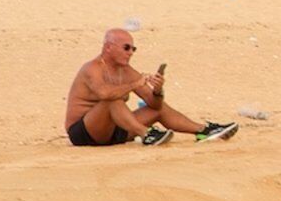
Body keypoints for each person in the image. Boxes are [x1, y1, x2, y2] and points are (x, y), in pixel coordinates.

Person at [63, 26, 236, 146]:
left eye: (133, 49)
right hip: (84, 133)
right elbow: (104, 94)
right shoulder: (92, 68)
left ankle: (204, 130)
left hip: (113, 131)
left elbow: (155, 106)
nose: (130, 52)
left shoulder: (126, 71)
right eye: (126, 48)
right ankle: (146, 134)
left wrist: (158, 90)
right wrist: (134, 84)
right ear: (108, 47)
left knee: (155, 110)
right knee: (112, 100)